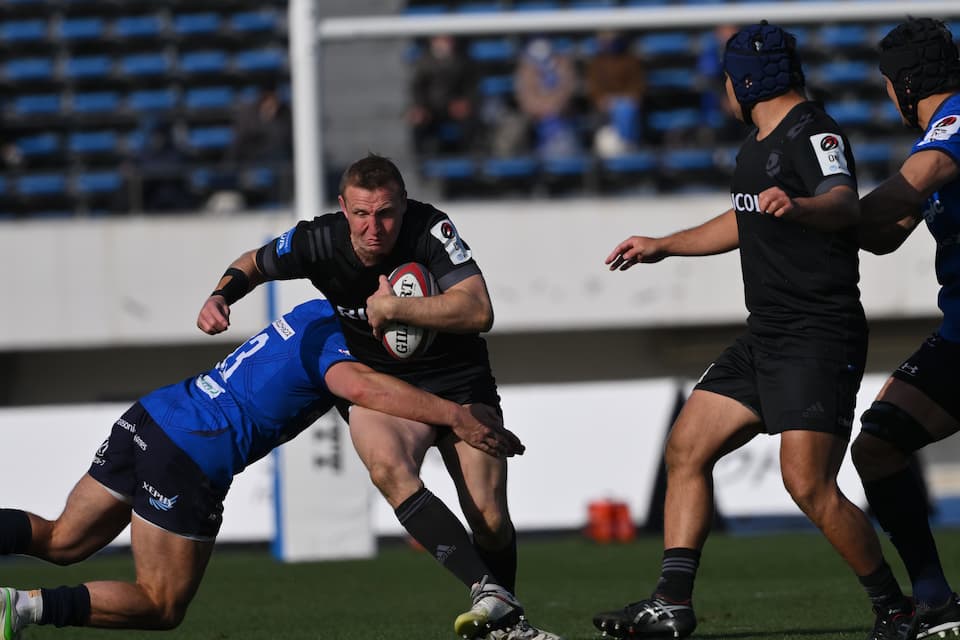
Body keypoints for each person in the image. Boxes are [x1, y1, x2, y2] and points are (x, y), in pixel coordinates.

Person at [591, 22, 917, 640]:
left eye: (725, 77)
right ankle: (672, 603)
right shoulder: (755, 145)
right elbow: (744, 222)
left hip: (818, 335)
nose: (721, 89)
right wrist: (665, 245)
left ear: (747, 80)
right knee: (687, 448)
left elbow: (844, 201)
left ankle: (894, 610)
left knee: (807, 484)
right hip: (765, 335)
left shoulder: (813, 131)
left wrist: (801, 206)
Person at [0, 298, 523, 639]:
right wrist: (457, 416)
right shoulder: (340, 348)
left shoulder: (313, 309)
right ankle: (20, 607)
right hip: (191, 454)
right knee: (161, 604)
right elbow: (363, 387)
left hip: (153, 415)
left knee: (62, 540)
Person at [195, 154, 562, 640]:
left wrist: (396, 308)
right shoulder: (318, 239)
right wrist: (221, 295)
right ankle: (495, 604)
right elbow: (253, 263)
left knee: (489, 516)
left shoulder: (431, 228)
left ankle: (503, 616)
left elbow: (479, 309)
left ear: (404, 205)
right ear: (343, 208)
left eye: (387, 213)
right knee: (388, 466)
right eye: (362, 214)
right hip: (384, 388)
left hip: (457, 380)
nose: (375, 228)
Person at [852, 17, 960, 640]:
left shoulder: (951, 127)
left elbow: (908, 190)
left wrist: (829, 211)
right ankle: (938, 603)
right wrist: (813, 223)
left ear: (907, 83)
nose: (888, 97)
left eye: (888, 85)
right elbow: (887, 235)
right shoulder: (937, 143)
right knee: (878, 445)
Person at [408, 34, 480, 156]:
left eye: (448, 39)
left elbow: (470, 86)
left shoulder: (463, 61)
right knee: (418, 122)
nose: (445, 43)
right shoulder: (423, 63)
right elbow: (418, 88)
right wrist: (420, 107)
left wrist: (465, 102)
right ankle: (422, 159)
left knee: (470, 122)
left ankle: (468, 155)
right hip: (430, 108)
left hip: (454, 105)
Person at [514, 37, 581, 159]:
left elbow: (567, 90)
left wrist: (553, 107)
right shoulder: (526, 69)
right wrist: (542, 109)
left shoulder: (562, 64)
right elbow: (525, 97)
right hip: (536, 118)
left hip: (561, 114)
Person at [584, 31, 646, 158]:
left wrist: (631, 97)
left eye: (612, 40)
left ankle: (627, 143)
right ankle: (617, 145)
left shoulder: (630, 60)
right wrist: (600, 99)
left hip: (626, 100)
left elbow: (637, 85)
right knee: (618, 109)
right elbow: (593, 87)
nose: (609, 43)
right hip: (605, 103)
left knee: (625, 109)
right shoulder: (596, 63)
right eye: (606, 41)